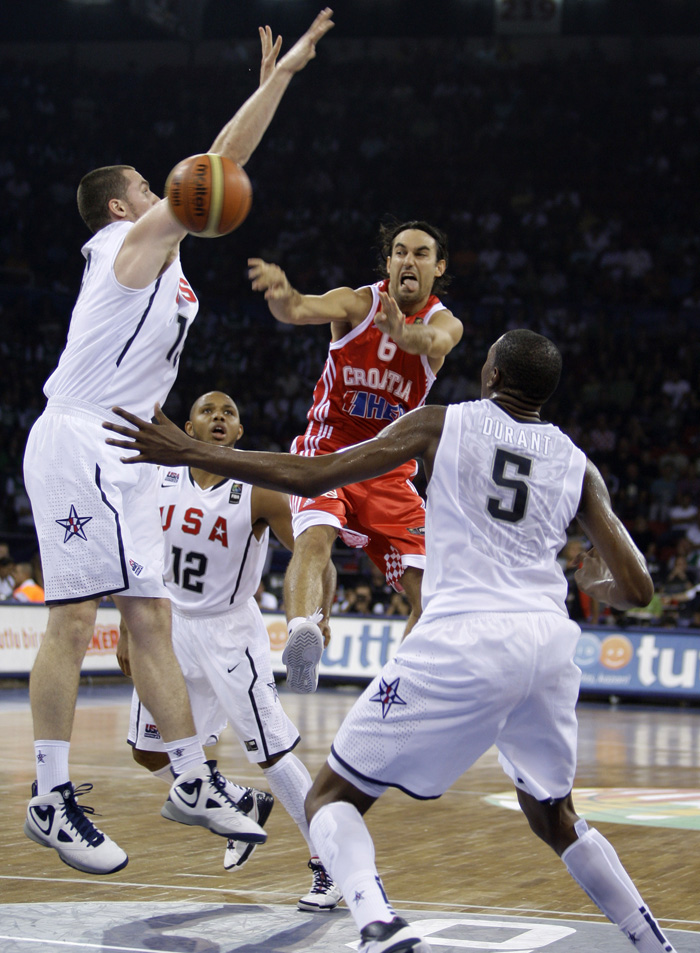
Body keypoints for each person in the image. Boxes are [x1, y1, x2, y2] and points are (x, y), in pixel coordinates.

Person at [105, 320, 676, 953]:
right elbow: (638, 586)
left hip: (464, 635)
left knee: (329, 796)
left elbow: (316, 474)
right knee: (555, 814)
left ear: (491, 375)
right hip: (547, 643)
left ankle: (377, 923)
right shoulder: (577, 462)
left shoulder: (440, 423)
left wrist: (193, 453)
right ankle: (651, 940)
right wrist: (592, 577)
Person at [21, 9, 335, 877]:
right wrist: (278, 80)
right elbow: (218, 163)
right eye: (150, 185)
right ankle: (49, 796)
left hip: (122, 449)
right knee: (76, 618)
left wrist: (278, 83)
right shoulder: (127, 243)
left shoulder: (159, 260)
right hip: (80, 439)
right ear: (127, 204)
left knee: (150, 617)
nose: (173, 189)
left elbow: (217, 167)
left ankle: (194, 776)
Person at [119, 390, 341, 910]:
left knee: (272, 751)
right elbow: (135, 552)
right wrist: (130, 625)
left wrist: (317, 613)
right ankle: (237, 800)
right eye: (207, 411)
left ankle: (326, 859)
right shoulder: (159, 476)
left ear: (239, 433)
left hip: (229, 633)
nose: (219, 417)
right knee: (149, 752)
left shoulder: (259, 488)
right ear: (189, 428)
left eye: (230, 413)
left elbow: (316, 553)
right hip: (168, 626)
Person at [247, 220, 463, 693]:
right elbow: (300, 308)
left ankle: (401, 688)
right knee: (315, 538)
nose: (409, 260)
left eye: (421, 253)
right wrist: (283, 294)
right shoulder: (357, 302)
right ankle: (303, 633)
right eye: (400, 252)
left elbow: (434, 344)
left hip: (389, 470)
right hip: (328, 450)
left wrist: (402, 333)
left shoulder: (444, 322)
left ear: (438, 266)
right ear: (388, 262)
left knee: (434, 596)